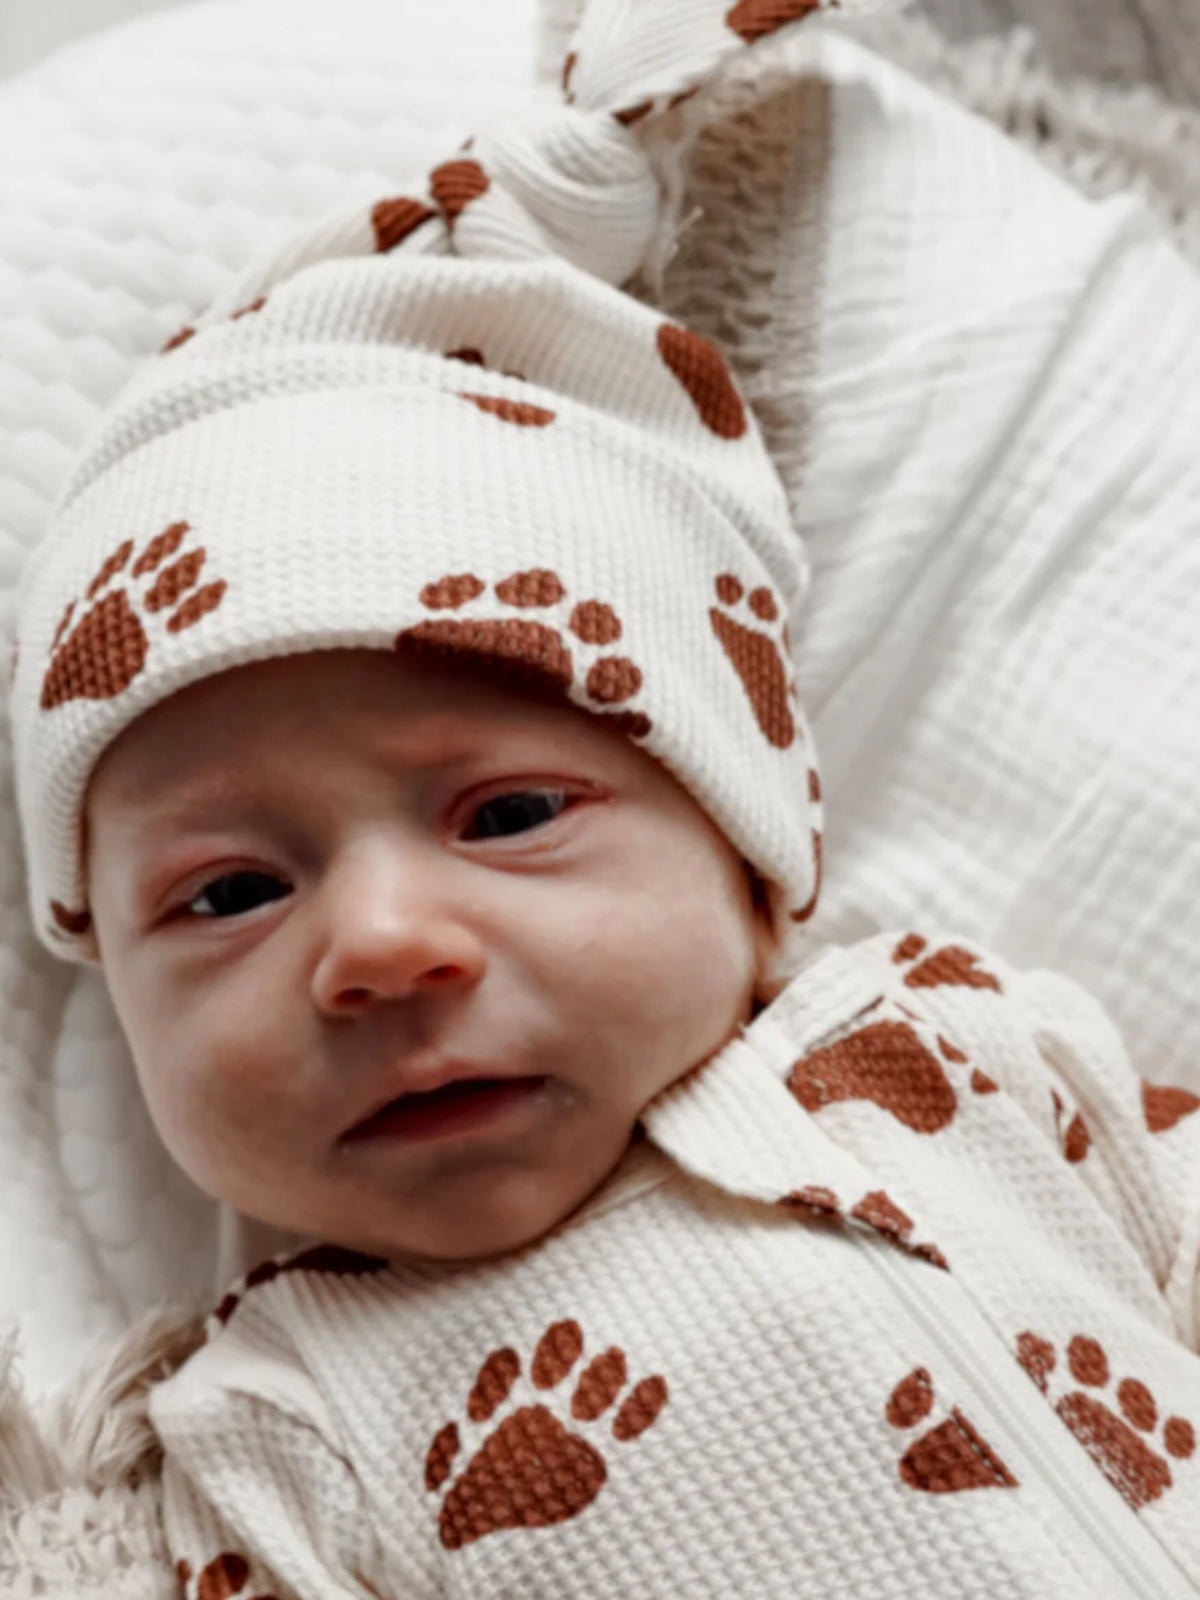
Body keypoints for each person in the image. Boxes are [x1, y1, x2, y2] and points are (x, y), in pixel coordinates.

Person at [8, 0, 1200, 1595]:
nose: (380, 943)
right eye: (228, 893)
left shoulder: (960, 1050)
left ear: (751, 851)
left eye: (506, 817)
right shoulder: (267, 1433)